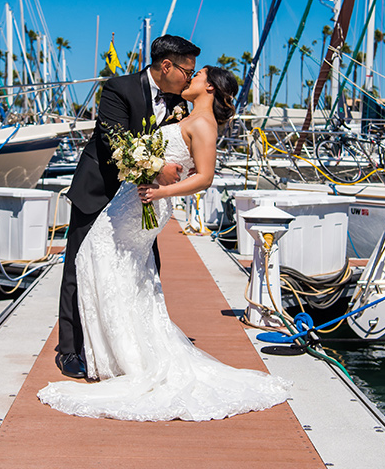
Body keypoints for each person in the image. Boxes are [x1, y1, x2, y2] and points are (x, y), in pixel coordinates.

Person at [39, 66, 291, 421]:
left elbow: (204, 177)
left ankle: (123, 354)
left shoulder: (202, 124)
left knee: (105, 261)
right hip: (135, 198)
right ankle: (116, 351)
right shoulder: (186, 114)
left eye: (197, 75)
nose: (190, 79)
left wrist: (162, 189)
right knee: (118, 268)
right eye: (189, 71)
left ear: (210, 88)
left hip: (149, 199)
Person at [55, 35, 201, 379]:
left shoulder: (180, 100)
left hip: (139, 203)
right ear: (166, 65)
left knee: (145, 269)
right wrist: (157, 169)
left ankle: (135, 344)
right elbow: (114, 140)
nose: (190, 79)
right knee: (80, 268)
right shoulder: (118, 88)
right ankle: (70, 350)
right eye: (187, 71)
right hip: (99, 191)